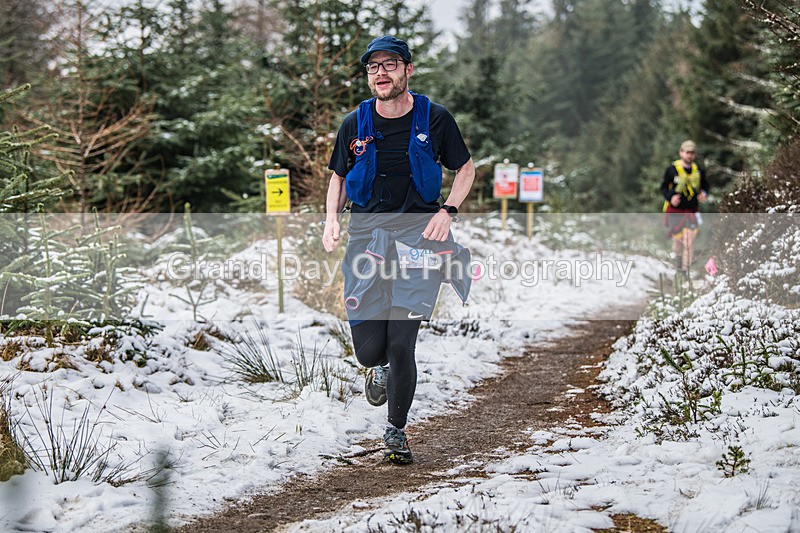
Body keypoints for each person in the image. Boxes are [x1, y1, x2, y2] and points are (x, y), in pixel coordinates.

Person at [322, 35, 475, 464]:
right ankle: (378, 368)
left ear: (408, 70)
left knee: (403, 342)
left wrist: (448, 210)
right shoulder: (354, 123)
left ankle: (396, 430)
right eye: (373, 67)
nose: (381, 73)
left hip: (419, 240)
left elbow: (465, 168)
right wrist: (331, 219)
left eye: (390, 64)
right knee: (370, 349)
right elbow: (338, 176)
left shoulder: (435, 118)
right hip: (366, 239)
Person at [661, 140, 709, 274]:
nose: (689, 155)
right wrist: (671, 197)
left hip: (692, 210)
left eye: (692, 153)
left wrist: (704, 193)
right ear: (681, 153)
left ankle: (685, 271)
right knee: (678, 241)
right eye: (687, 152)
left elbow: (705, 186)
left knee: (689, 241)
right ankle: (678, 266)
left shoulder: (698, 170)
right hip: (675, 211)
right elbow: (663, 187)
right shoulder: (672, 170)